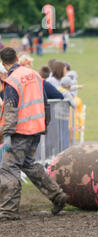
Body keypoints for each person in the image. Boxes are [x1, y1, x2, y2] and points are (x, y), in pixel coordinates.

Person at [0, 47, 68, 221]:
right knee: (30, 164)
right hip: (36, 129)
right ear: (17, 58)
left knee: (9, 168)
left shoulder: (12, 81)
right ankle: (57, 195)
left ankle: (8, 211)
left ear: (2, 62)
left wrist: (6, 135)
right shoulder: (35, 75)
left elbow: (10, 109)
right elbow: (45, 102)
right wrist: (44, 124)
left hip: (20, 131)